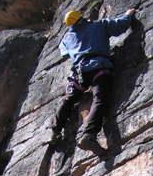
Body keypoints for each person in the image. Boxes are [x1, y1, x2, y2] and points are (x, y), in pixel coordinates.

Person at [50, 8, 136, 156]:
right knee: (100, 99)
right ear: (82, 18)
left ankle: (55, 131)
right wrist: (129, 13)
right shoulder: (98, 26)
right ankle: (88, 135)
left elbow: (64, 53)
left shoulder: (67, 39)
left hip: (78, 73)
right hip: (98, 67)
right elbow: (119, 26)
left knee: (69, 99)